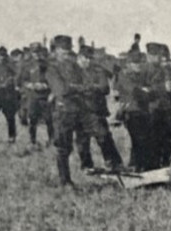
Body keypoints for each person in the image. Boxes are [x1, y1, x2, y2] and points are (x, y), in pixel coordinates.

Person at [47, 35, 122, 184]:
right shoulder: (52, 69)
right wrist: (80, 88)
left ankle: (115, 166)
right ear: (55, 51)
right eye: (62, 50)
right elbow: (62, 90)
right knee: (63, 147)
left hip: (83, 110)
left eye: (68, 50)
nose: (66, 53)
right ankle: (65, 180)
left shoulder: (78, 67)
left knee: (103, 134)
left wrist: (77, 88)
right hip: (64, 112)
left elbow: (95, 85)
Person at [114, 47, 155, 170]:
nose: (138, 66)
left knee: (144, 140)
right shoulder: (123, 75)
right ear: (129, 64)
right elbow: (134, 92)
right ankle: (137, 165)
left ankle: (138, 165)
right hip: (131, 112)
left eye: (140, 63)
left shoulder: (143, 75)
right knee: (138, 139)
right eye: (135, 63)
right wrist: (146, 92)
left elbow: (153, 92)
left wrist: (146, 92)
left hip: (144, 112)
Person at [143, 43, 171, 168]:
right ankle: (153, 166)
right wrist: (162, 88)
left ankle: (166, 164)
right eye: (161, 57)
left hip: (170, 110)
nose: (164, 61)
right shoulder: (146, 71)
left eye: (166, 58)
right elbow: (143, 90)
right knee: (154, 140)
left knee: (168, 140)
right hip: (154, 110)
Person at [17, 44, 54, 148]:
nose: (36, 54)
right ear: (31, 53)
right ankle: (32, 141)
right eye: (34, 52)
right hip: (32, 96)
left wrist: (46, 86)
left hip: (45, 96)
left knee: (49, 119)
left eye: (38, 52)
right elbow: (23, 80)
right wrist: (31, 85)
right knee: (32, 119)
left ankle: (51, 140)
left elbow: (54, 80)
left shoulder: (48, 65)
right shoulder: (27, 65)